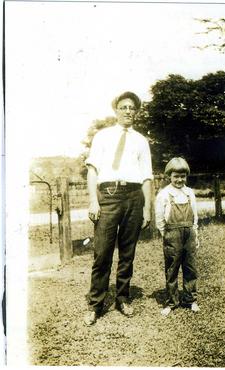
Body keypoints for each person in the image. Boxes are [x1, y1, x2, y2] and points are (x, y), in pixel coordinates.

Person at [84, 91, 153, 325]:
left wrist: (147, 209)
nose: (128, 111)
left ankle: (123, 298)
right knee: (102, 252)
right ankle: (95, 304)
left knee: (127, 253)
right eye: (123, 107)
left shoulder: (141, 140)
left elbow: (146, 178)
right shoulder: (102, 136)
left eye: (132, 108)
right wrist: (93, 200)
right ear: (116, 110)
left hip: (134, 197)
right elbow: (92, 170)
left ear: (136, 112)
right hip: (109, 196)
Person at [155, 157, 200, 316]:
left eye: (183, 176)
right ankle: (172, 302)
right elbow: (160, 218)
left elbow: (195, 216)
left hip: (189, 234)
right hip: (172, 235)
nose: (180, 180)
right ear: (169, 176)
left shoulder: (189, 193)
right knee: (172, 268)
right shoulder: (164, 194)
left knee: (190, 268)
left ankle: (190, 299)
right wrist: (166, 235)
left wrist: (195, 234)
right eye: (176, 176)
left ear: (186, 176)